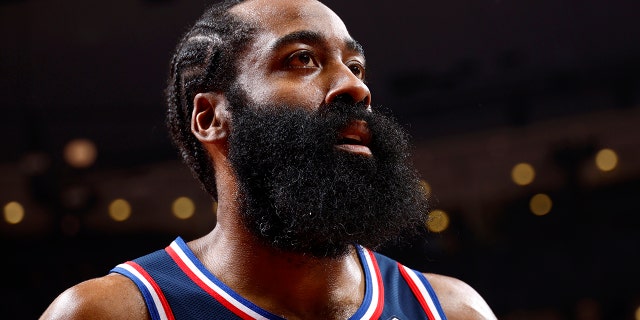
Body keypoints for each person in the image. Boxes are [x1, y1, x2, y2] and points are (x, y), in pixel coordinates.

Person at [40, 0, 497, 319]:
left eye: (355, 66)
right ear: (211, 115)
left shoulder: (453, 310)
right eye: (302, 59)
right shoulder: (112, 312)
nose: (357, 87)